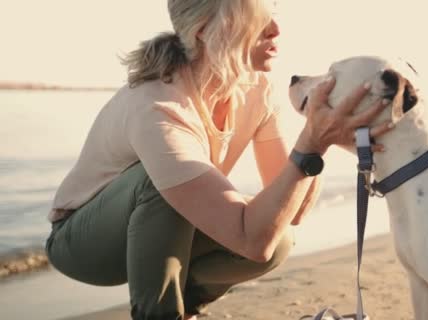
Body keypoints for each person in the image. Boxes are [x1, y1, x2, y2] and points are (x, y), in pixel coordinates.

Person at [44, 1, 394, 319]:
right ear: (203, 31)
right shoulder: (158, 109)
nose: (275, 29)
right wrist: (312, 142)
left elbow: (290, 214)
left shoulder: (256, 88)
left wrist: (321, 129)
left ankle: (185, 308)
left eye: (272, 12)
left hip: (167, 227)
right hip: (84, 243)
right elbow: (249, 237)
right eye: (256, 16)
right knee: (157, 184)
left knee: (279, 236)